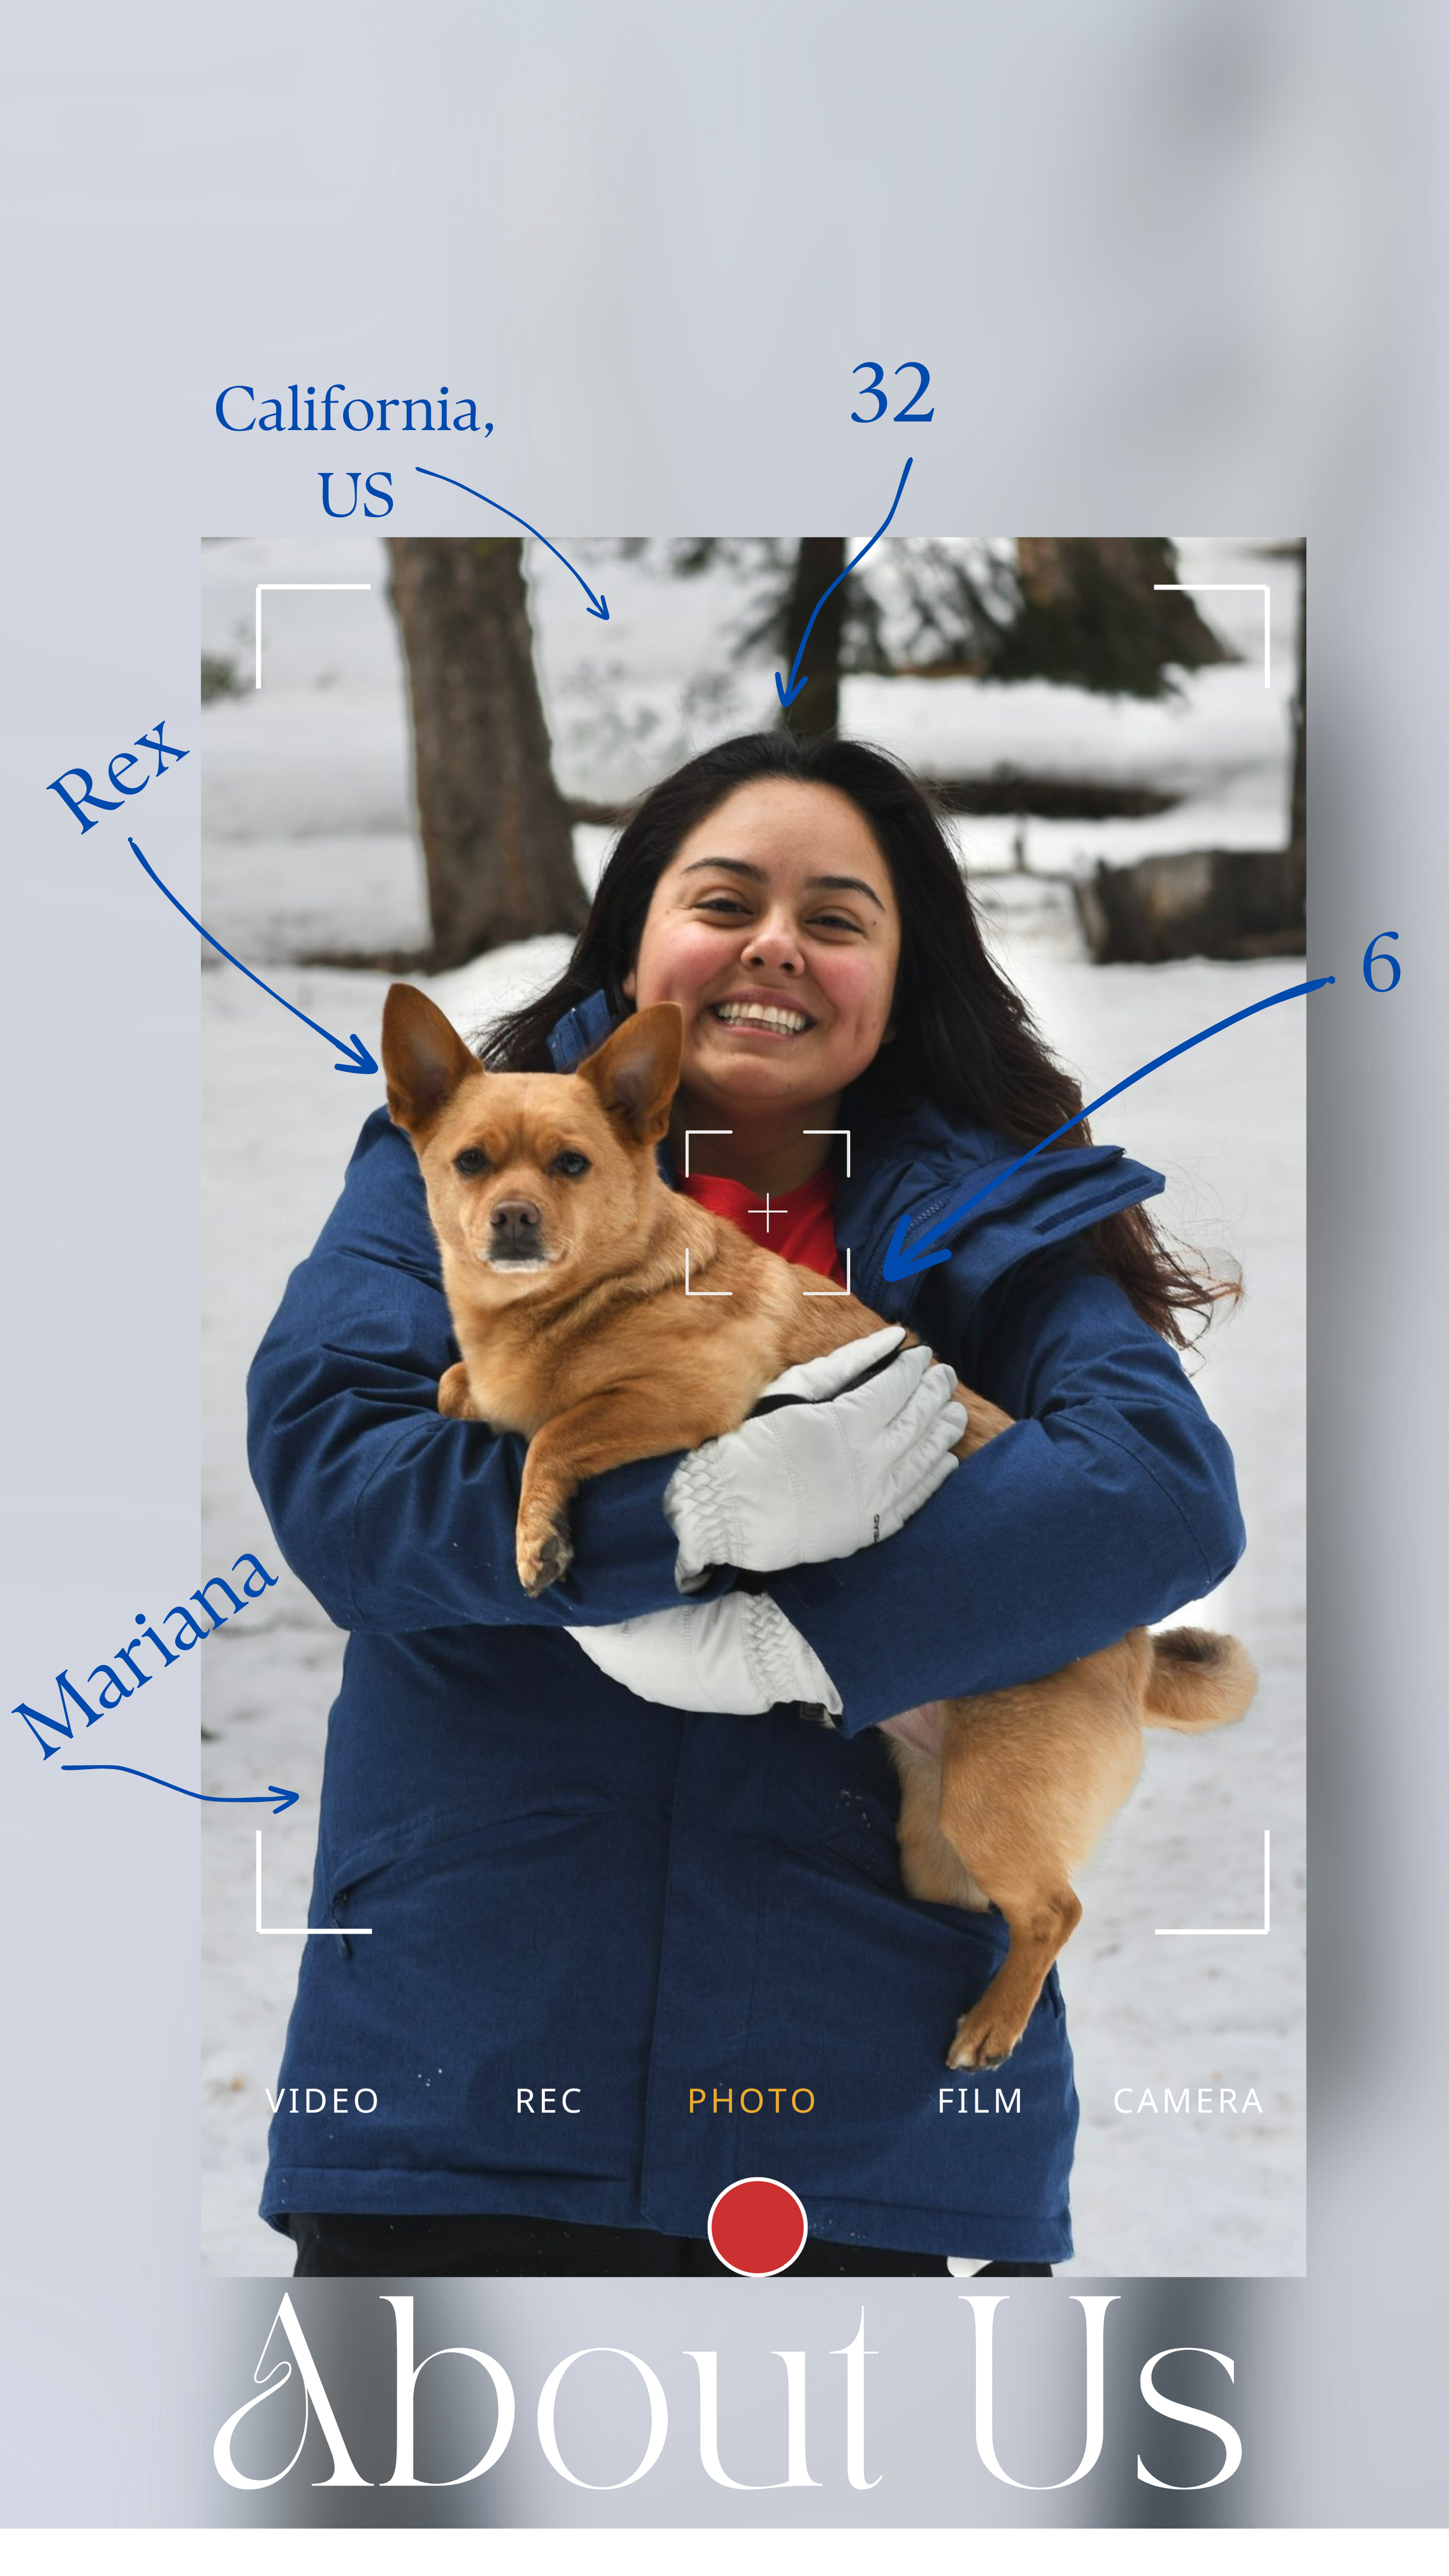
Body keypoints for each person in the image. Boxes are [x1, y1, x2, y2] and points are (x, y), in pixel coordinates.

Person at [247, 732, 1245, 2279]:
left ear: (897, 977)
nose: (776, 941)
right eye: (726, 899)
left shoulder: (1001, 1216)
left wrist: (803, 1637)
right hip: (467, 2080)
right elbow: (338, 1479)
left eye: (838, 917)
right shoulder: (457, 1159)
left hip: (872, 2113)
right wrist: (689, 1520)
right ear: (641, 931)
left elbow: (1155, 1499)